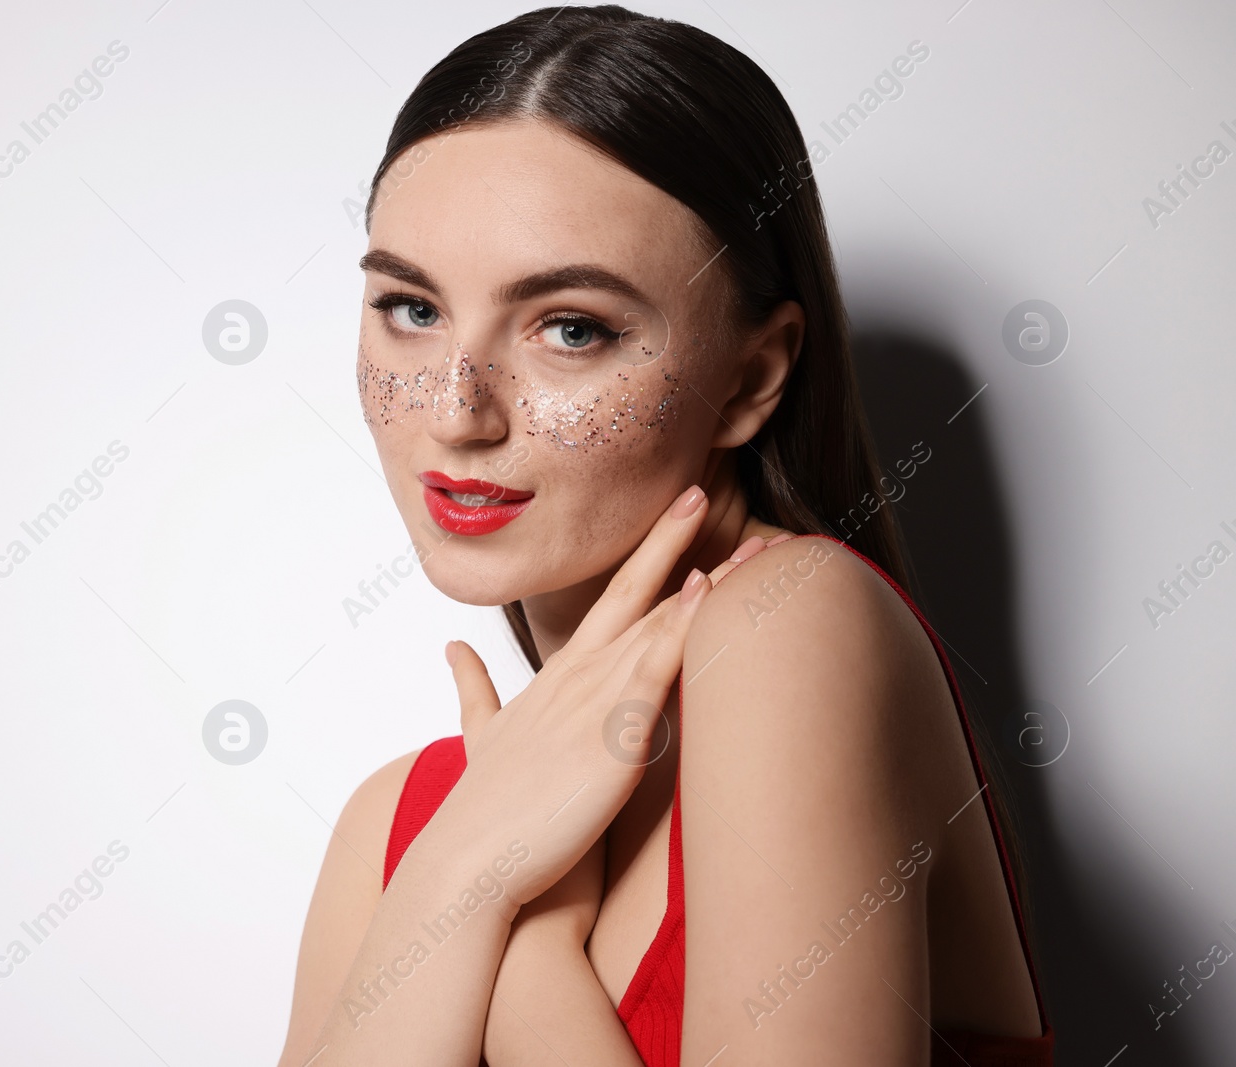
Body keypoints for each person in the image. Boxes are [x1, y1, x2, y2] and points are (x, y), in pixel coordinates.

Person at [279, 6, 1053, 1064]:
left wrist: (518, 948)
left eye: (571, 328)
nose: (458, 411)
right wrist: (462, 865)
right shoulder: (398, 825)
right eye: (411, 308)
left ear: (749, 378)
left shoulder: (789, 625)